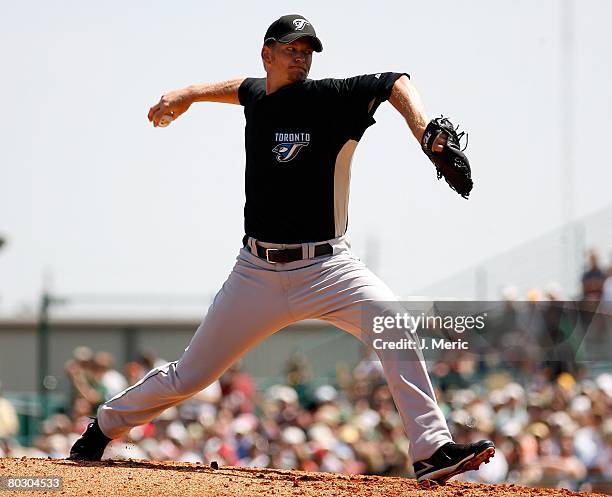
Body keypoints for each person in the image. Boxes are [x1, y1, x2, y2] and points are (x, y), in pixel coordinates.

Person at [68, 14, 494, 484]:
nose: (301, 57)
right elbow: (241, 87)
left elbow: (395, 82)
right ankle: (104, 426)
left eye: (307, 50)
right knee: (190, 375)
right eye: (292, 49)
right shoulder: (259, 96)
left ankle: (432, 449)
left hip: (330, 268)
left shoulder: (330, 98)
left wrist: (425, 130)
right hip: (256, 270)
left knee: (393, 325)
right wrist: (187, 94)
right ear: (267, 54)